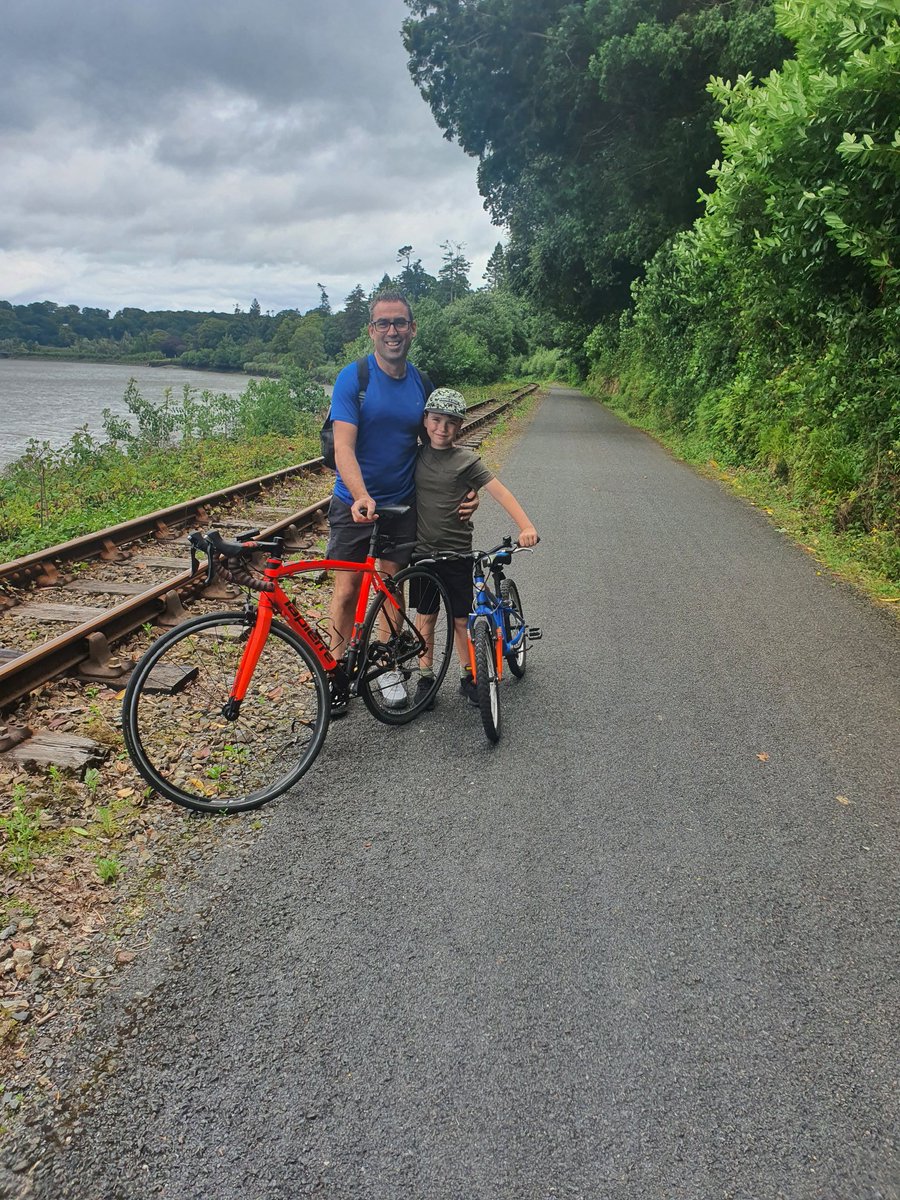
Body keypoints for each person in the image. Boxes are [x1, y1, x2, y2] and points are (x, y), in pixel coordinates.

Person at [326, 291, 476, 707]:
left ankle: (388, 669)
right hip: (350, 502)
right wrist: (359, 495)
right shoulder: (353, 378)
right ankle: (334, 676)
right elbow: (343, 448)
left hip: (401, 504)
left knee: (392, 589)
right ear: (372, 331)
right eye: (383, 324)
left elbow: (438, 447)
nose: (392, 331)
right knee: (347, 590)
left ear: (412, 328)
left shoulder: (420, 383)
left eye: (400, 323)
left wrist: (465, 490)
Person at [411, 388, 538, 707]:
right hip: (423, 553)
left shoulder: (466, 461)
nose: (442, 428)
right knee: (425, 617)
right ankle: (425, 678)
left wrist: (526, 526)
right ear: (425, 420)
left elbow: (501, 492)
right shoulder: (415, 455)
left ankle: (469, 675)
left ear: (460, 425)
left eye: (451, 423)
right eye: (436, 420)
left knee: (460, 619)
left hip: (456, 554)